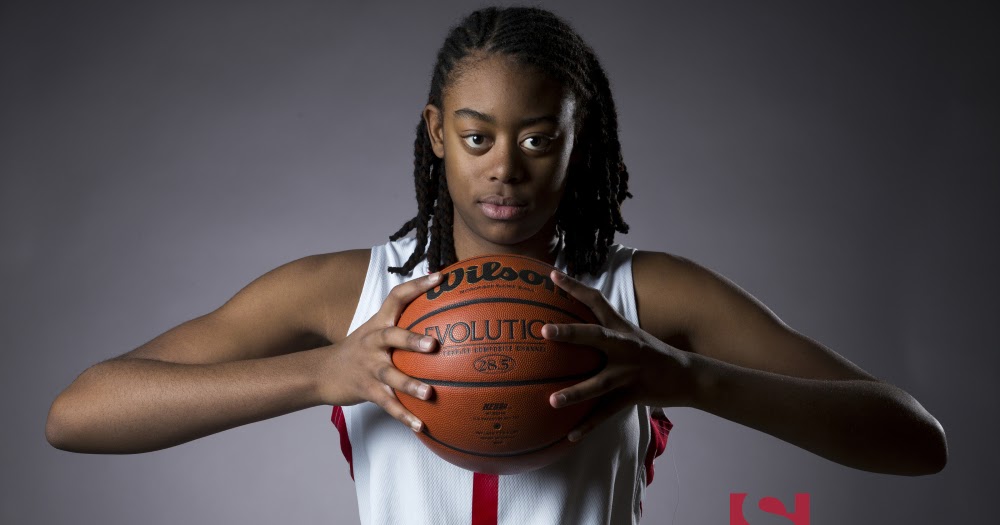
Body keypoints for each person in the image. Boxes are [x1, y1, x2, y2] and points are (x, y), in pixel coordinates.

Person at [45, 5, 947, 524]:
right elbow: (78, 413)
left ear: (578, 141)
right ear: (438, 133)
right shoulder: (345, 292)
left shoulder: (645, 294)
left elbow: (916, 441)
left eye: (539, 138)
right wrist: (323, 372)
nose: (505, 167)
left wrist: (687, 376)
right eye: (477, 137)